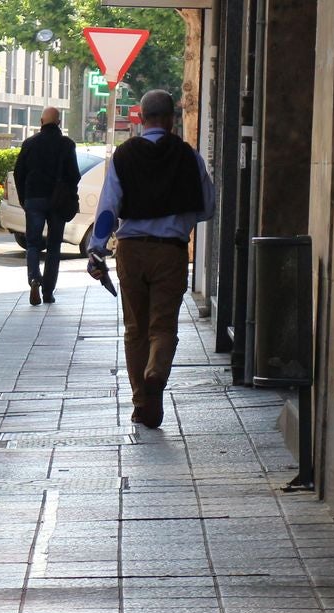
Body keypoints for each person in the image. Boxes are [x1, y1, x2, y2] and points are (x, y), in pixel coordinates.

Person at [86, 90, 216, 428]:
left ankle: (142, 400)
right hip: (170, 252)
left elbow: (108, 207)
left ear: (141, 118)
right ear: (171, 119)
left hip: (131, 251)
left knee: (135, 330)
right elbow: (207, 207)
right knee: (163, 328)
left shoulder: (124, 156)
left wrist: (96, 248)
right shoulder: (188, 157)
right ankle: (156, 371)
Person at [13, 107, 81, 305]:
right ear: (59, 123)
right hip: (57, 201)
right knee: (53, 247)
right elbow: (74, 175)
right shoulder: (67, 145)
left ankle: (34, 278)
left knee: (33, 244)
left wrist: (24, 199)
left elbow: (19, 173)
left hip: (33, 198)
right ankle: (48, 292)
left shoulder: (30, 144)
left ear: (41, 121)